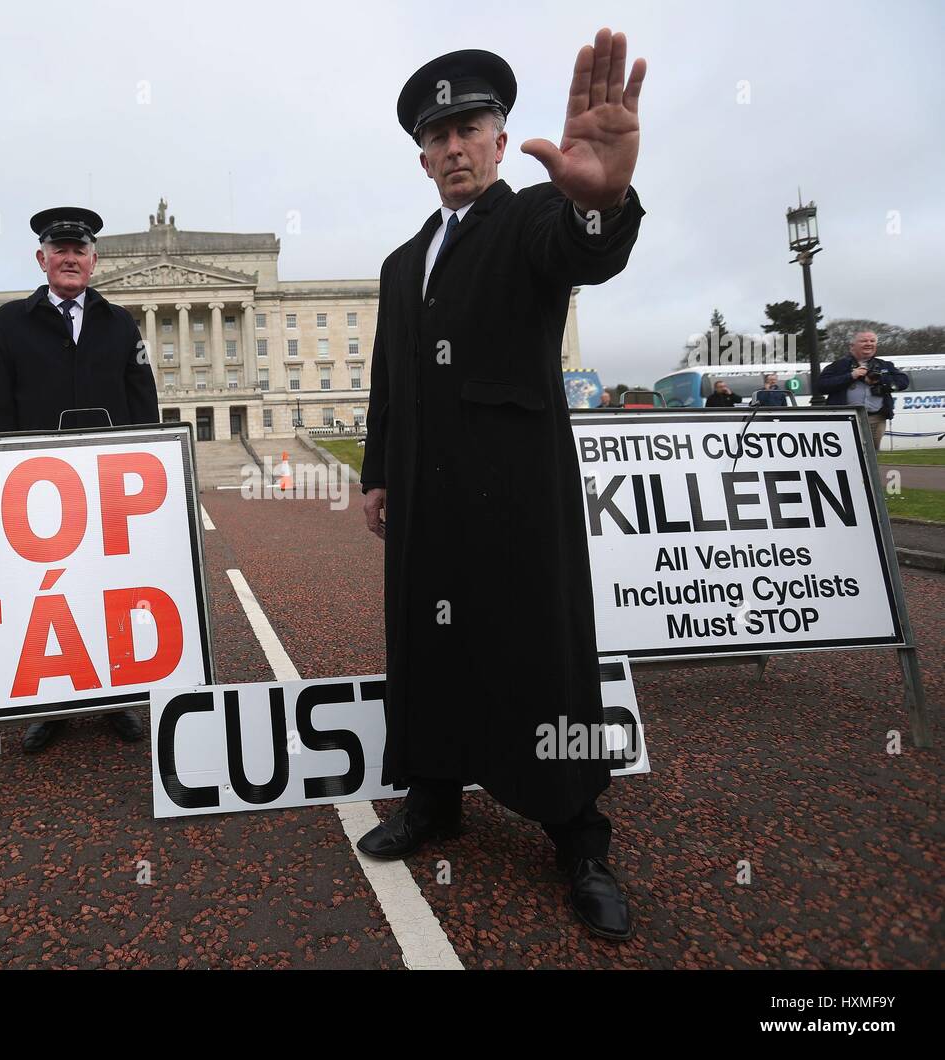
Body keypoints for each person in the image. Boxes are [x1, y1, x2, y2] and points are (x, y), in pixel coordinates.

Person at [359, 33, 646, 941]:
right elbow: (388, 378)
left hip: (516, 495)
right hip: (424, 496)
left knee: (539, 655)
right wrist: (375, 473)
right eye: (437, 134)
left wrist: (599, 202)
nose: (453, 146)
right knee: (428, 643)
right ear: (421, 155)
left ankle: (578, 834)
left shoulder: (530, 218)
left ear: (498, 137)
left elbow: (583, 249)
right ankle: (436, 795)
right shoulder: (404, 262)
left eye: (469, 127)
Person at [0, 206, 159, 751]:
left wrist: (145, 474)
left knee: (107, 592)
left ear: (94, 260)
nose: (69, 259)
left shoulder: (120, 322)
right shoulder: (9, 322)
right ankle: (51, 703)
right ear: (42, 259)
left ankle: (115, 698)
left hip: (106, 486)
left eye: (79, 250)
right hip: (36, 488)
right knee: (45, 596)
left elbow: (142, 403)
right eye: (59, 250)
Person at [817, 331, 909, 449]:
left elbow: (903, 382)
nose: (868, 343)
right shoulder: (838, 366)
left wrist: (880, 379)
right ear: (852, 347)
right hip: (844, 419)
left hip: (875, 418)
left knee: (871, 456)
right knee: (845, 452)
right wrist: (851, 376)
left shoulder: (884, 365)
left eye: (872, 341)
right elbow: (821, 386)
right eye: (864, 341)